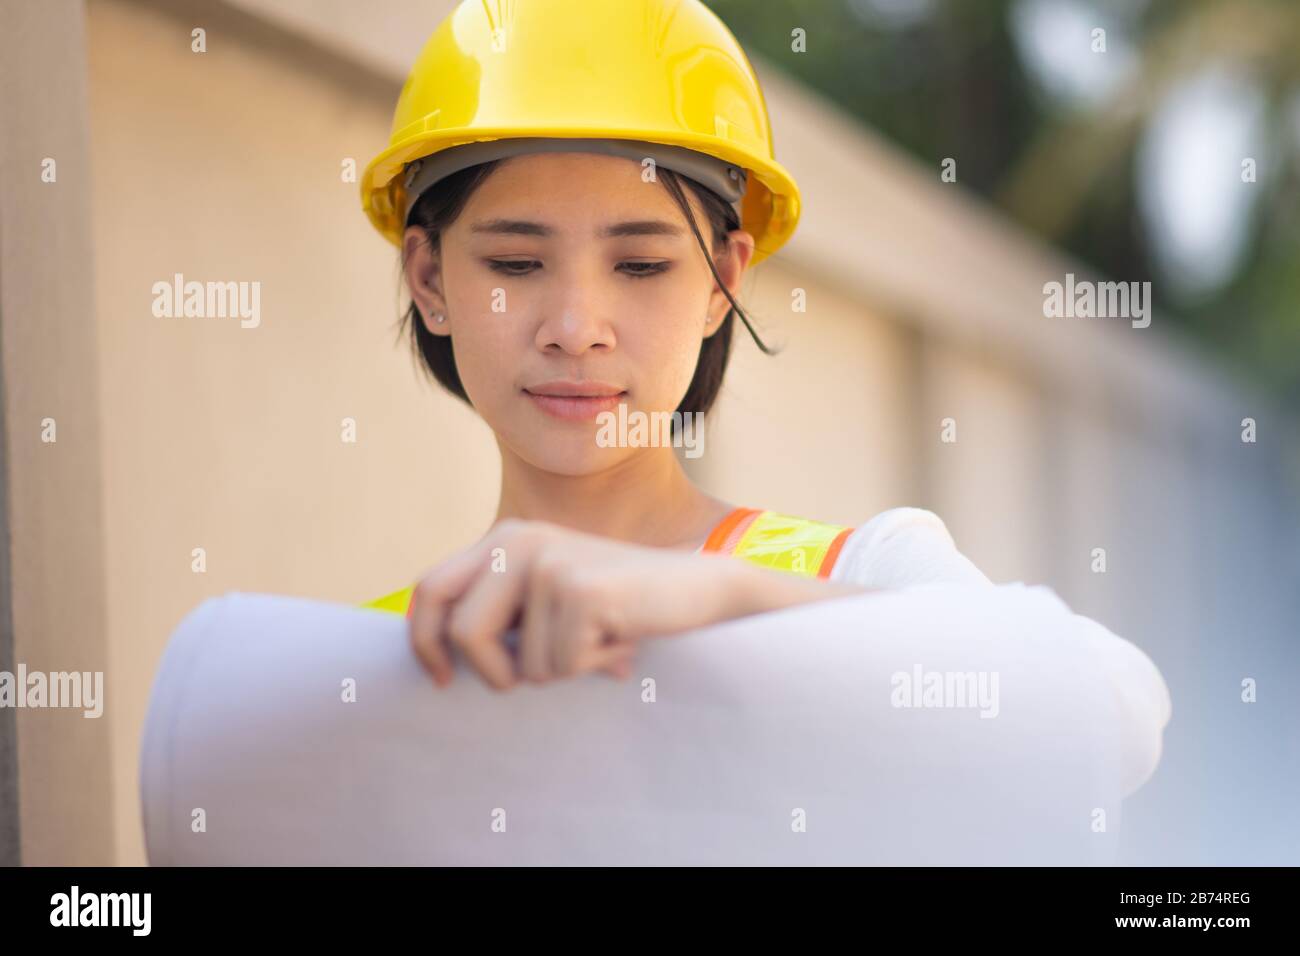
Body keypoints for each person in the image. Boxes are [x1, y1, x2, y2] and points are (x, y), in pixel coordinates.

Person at [357, 0, 990, 691]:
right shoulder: (366, 661)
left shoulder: (869, 572)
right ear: (429, 279)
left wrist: (728, 600)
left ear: (723, 282)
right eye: (515, 264)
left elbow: (1109, 714)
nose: (575, 329)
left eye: (640, 266)